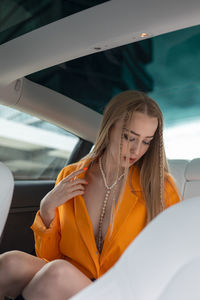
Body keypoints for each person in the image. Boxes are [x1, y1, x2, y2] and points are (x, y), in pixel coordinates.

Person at [0, 90, 180, 300]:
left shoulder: (161, 187)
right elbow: (48, 257)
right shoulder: (71, 176)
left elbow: (171, 260)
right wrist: (47, 208)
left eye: (146, 141)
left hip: (121, 289)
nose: (136, 150)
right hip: (71, 276)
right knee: (10, 263)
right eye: (129, 137)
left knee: (56, 274)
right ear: (109, 127)